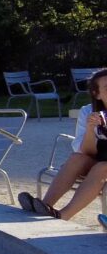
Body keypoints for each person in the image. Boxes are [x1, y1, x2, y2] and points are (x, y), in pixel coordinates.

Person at [17, 68, 107, 220]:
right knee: (76, 158)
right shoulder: (88, 112)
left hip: (103, 166)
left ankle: (63, 215)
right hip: (98, 157)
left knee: (102, 167)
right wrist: (91, 129)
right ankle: (44, 206)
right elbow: (85, 151)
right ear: (96, 94)